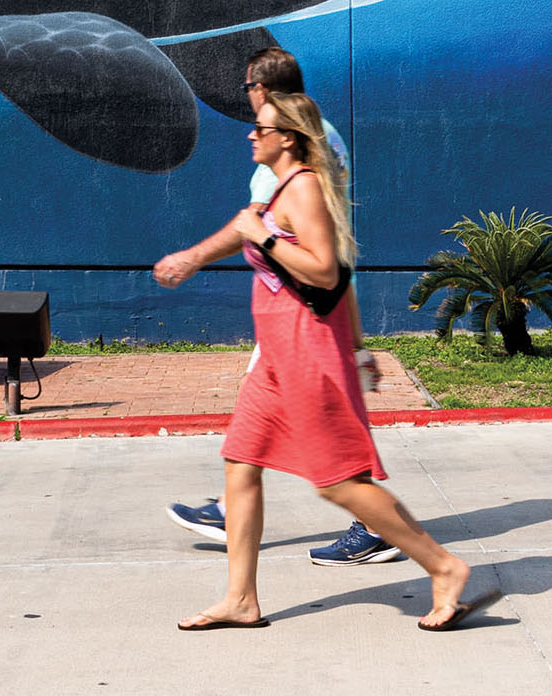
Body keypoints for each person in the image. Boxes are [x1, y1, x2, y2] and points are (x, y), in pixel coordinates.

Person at [165, 92, 501, 632]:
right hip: (276, 358)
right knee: (240, 463)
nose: (251, 135)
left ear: (288, 138)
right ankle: (240, 599)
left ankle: (444, 567)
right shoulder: (280, 193)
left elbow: (325, 272)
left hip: (306, 354)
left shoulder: (305, 192)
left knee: (337, 482)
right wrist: (196, 256)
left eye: (261, 128)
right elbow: (269, 245)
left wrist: (266, 237)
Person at [153, 47, 399, 566]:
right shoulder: (323, 132)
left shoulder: (286, 152)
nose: (249, 119)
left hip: (299, 309)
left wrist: (193, 257)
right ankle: (235, 525)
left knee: (333, 443)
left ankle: (405, 543)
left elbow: (261, 225)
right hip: (308, 303)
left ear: (261, 89)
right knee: (258, 439)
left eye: (248, 90)